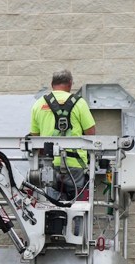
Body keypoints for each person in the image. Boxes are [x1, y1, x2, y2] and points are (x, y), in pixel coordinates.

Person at [30, 69, 96, 201]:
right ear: (70, 84)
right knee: (78, 209)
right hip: (75, 164)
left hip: (49, 165)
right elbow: (91, 134)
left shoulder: (38, 104)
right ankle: (77, 222)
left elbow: (34, 138)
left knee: (51, 207)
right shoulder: (79, 103)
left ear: (52, 84)